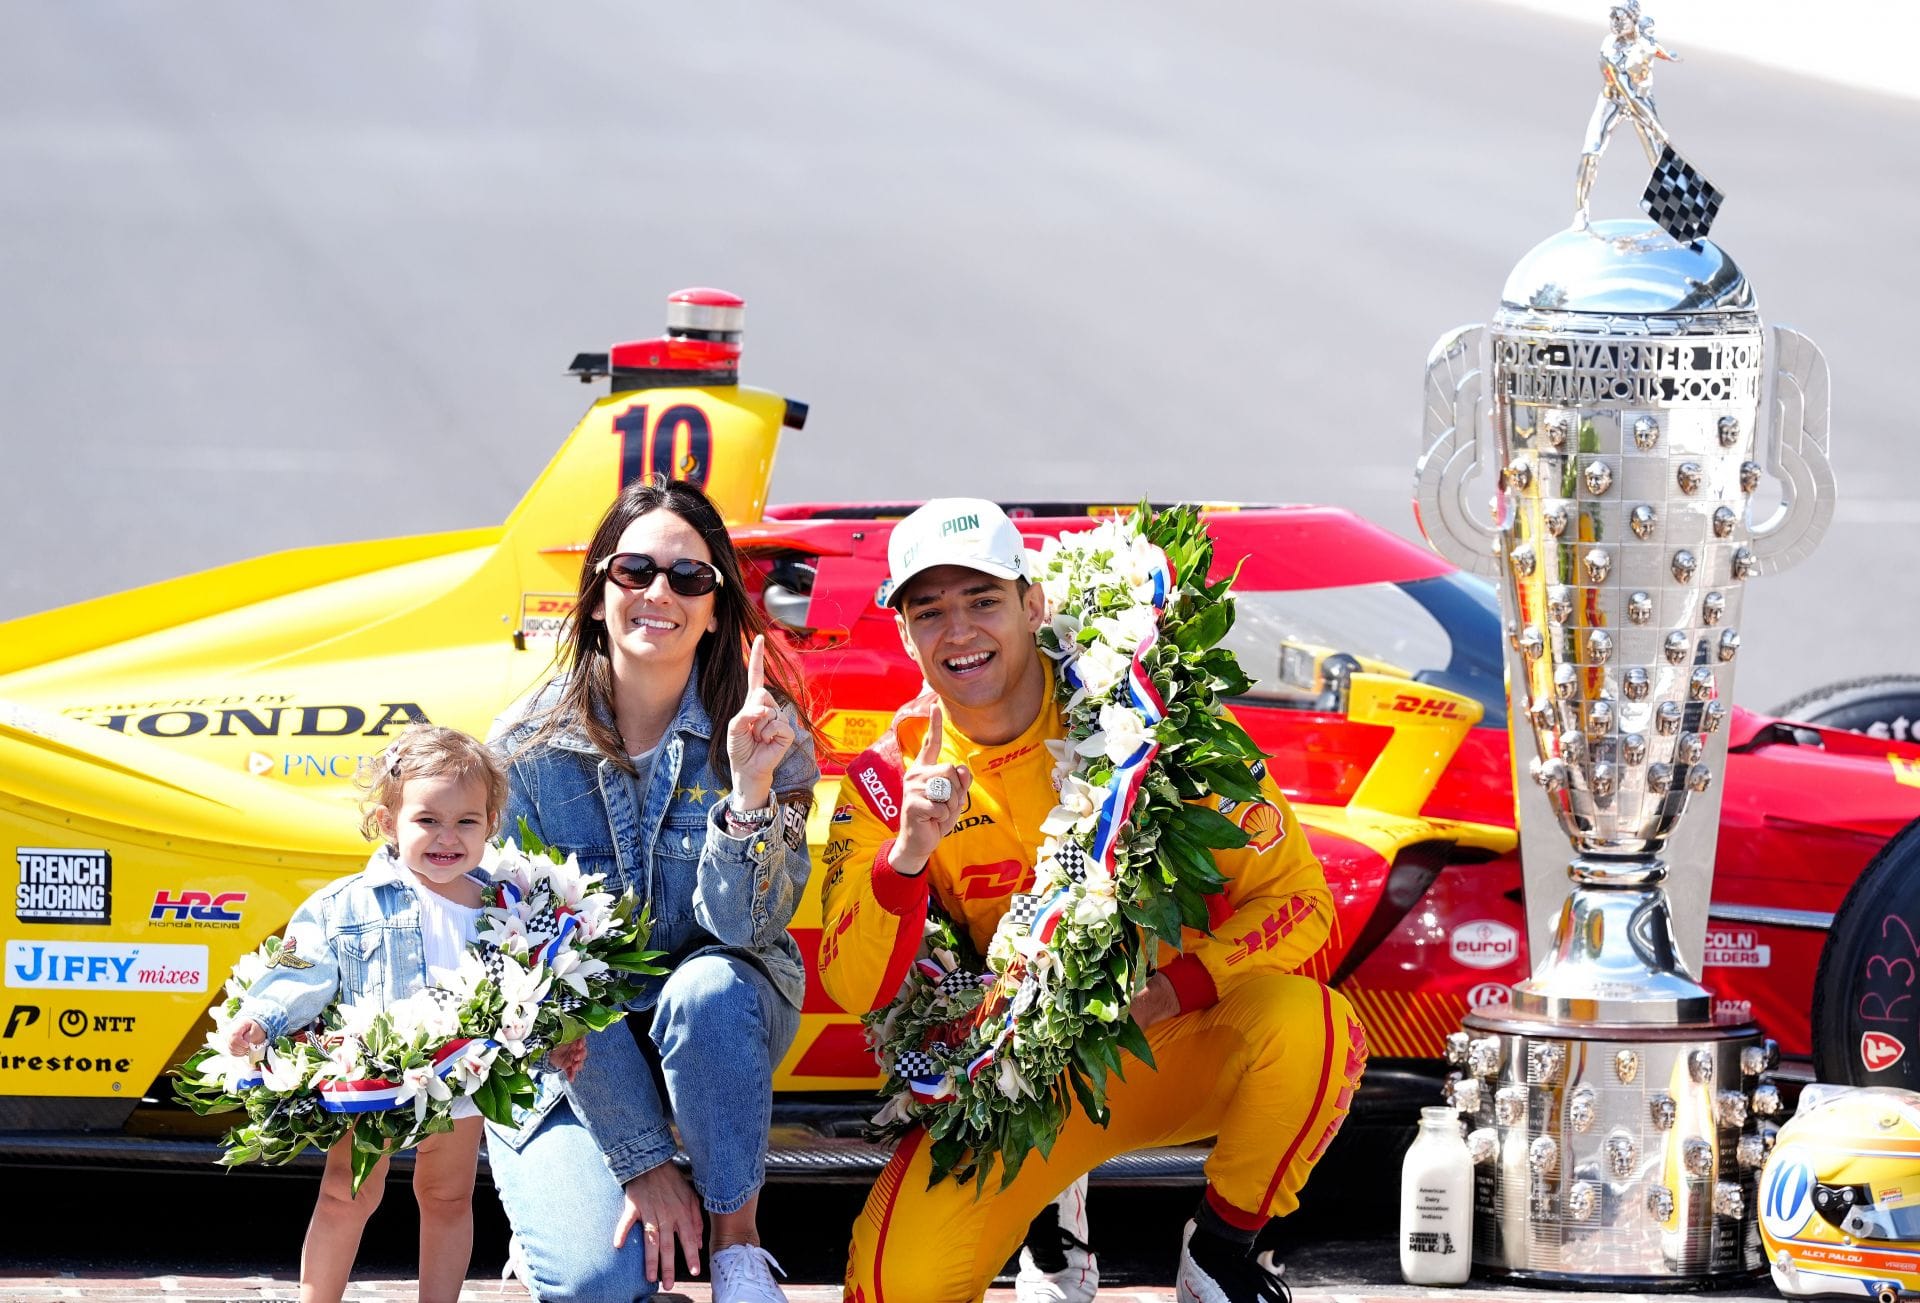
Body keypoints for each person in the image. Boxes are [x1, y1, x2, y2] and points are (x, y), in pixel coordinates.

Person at [818, 499, 1366, 1303]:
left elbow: (1300, 901)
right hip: (1019, 1083)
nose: (959, 632)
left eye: (983, 600)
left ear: (1033, 604)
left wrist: (1174, 990)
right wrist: (907, 856)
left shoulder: (1151, 719)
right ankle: (1051, 1207)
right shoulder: (886, 778)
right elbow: (851, 986)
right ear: (904, 635)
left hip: (1170, 1040)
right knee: (895, 1287)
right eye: (929, 611)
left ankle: (1222, 1253)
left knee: (1315, 1029)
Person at [488, 477, 820, 1303]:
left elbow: (750, 928)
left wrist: (747, 792)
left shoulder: (771, 735)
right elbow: (539, 978)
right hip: (568, 1054)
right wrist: (641, 1159)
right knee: (598, 1283)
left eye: (690, 578)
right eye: (634, 571)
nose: (659, 593)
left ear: (716, 609)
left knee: (708, 985)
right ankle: (564, 1221)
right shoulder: (524, 752)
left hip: (716, 1027)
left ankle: (739, 1246)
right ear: (599, 595)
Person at [226, 724, 510, 1303]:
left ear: (490, 824)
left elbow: (529, 996)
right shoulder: (344, 904)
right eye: (427, 820)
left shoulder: (503, 908)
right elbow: (297, 968)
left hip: (459, 1078)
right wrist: (262, 1018)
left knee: (448, 1196)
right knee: (345, 1192)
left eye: (466, 822)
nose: (446, 837)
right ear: (387, 823)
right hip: (372, 1078)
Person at [1573, 0, 1680, 226]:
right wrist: (1657, 127)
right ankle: (1581, 212)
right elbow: (1628, 94)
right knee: (1590, 152)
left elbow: (1654, 47)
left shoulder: (1644, 38)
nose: (1615, 23)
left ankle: (1677, 216)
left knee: (1659, 156)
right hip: (1614, 99)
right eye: (1613, 17)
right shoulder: (1610, 48)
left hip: (1641, 96)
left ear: (1634, 20)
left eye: (1621, 18)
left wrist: (1668, 56)